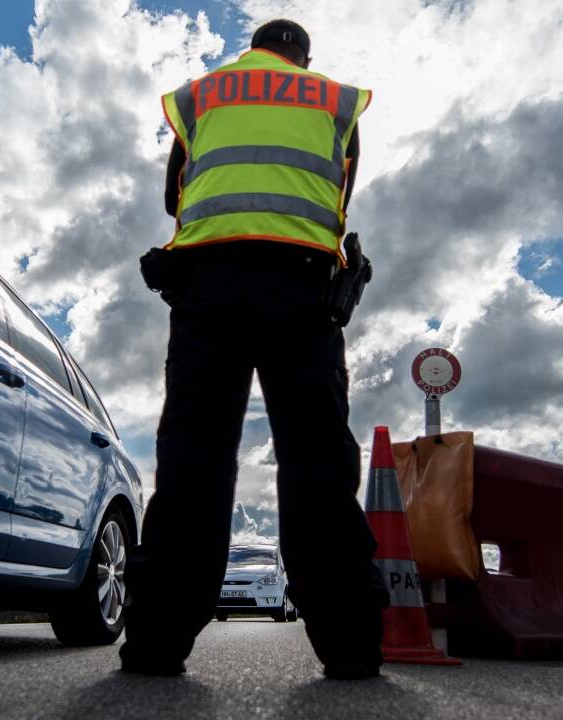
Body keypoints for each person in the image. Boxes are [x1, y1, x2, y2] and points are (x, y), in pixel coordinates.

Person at [120, 18, 388, 680]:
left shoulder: (203, 96)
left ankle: (156, 642)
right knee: (317, 458)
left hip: (208, 288)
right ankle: (350, 645)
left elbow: (174, 197)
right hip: (303, 288)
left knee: (194, 456)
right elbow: (338, 196)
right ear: (304, 58)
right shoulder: (335, 102)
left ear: (254, 48)